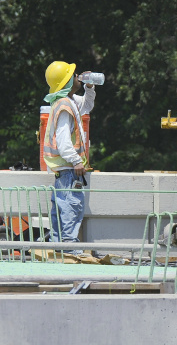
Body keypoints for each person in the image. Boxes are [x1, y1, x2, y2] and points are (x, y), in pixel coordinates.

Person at [42, 61, 96, 255]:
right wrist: (76, 161)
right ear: (66, 82)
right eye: (73, 75)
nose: (77, 77)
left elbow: (87, 105)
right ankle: (69, 249)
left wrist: (90, 87)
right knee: (71, 207)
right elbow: (64, 141)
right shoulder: (65, 106)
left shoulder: (69, 102)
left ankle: (60, 249)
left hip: (63, 170)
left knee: (61, 208)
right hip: (68, 169)